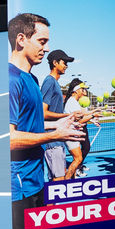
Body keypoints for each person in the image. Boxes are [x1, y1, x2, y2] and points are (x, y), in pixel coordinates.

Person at [7, 13, 85, 229]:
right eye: (42, 41)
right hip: (19, 187)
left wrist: (61, 124)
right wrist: (54, 135)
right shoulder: (11, 79)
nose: (47, 48)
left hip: (36, 180)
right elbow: (9, 138)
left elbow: (32, 125)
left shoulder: (32, 79)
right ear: (21, 39)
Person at [39, 49, 75, 181]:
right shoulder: (49, 81)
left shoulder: (54, 82)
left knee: (59, 181)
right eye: (64, 62)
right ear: (55, 63)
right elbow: (43, 112)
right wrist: (66, 116)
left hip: (57, 139)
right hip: (53, 141)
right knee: (58, 183)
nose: (66, 65)